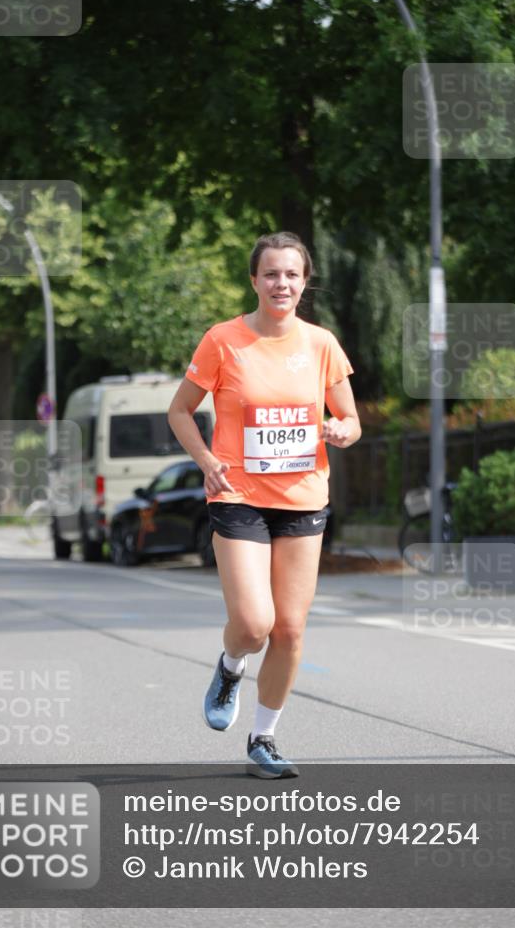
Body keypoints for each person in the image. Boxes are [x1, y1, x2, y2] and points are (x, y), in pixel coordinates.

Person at [167, 231, 361, 778]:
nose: (282, 283)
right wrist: (205, 459)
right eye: (271, 273)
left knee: (290, 630)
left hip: (302, 498)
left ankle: (264, 739)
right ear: (254, 280)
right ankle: (232, 666)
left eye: (292, 275)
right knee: (254, 624)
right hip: (237, 494)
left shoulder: (321, 344)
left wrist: (341, 430)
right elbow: (180, 411)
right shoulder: (223, 340)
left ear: (305, 282)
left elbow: (351, 419)